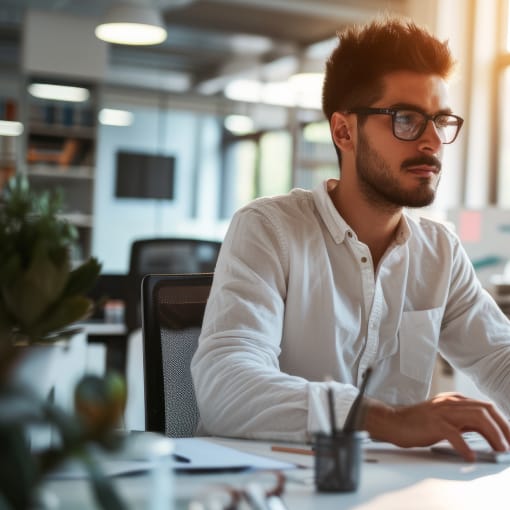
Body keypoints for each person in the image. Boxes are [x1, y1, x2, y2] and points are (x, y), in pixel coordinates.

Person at [190, 16, 510, 461]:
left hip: (388, 490)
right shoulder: (269, 229)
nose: (433, 140)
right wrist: (386, 420)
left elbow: (500, 359)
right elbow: (225, 385)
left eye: (440, 120)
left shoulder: (440, 252)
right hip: (268, 488)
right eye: (406, 119)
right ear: (344, 132)